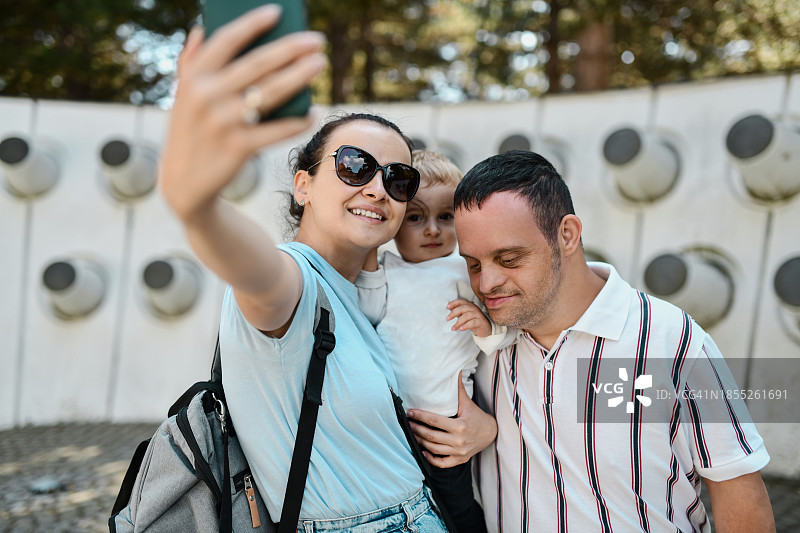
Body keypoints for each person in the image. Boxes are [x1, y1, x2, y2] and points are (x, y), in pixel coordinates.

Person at [159, 7, 496, 531]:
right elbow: (256, 272)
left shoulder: (360, 293)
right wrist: (198, 205)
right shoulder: (292, 280)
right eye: (355, 166)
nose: (377, 188)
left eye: (398, 179)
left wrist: (477, 432)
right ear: (304, 185)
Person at [407, 150, 776, 533]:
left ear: (567, 234)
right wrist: (485, 431)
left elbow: (736, 488)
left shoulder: (669, 339)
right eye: (473, 264)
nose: (487, 284)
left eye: (510, 259)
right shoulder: (474, 341)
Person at [356, 150, 503, 533]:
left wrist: (485, 327)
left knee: (455, 503)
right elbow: (367, 310)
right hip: (390, 421)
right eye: (417, 218)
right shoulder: (384, 268)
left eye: (446, 217)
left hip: (448, 422)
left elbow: (503, 336)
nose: (433, 230)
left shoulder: (462, 269)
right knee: (405, 504)